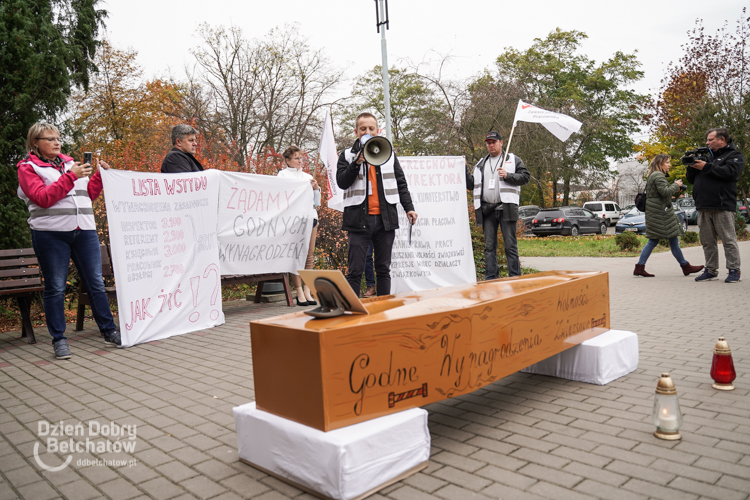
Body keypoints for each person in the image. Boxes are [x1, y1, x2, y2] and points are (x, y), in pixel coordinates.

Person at [16, 123, 121, 360]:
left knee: (95, 283)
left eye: (58, 138)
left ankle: (109, 331)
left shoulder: (71, 164)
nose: (57, 142)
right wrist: (71, 176)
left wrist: (98, 177)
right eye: (50, 138)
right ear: (35, 142)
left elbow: (86, 196)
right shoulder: (28, 168)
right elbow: (43, 198)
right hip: (50, 234)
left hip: (84, 232)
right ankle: (59, 340)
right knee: (55, 287)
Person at [337, 112, 417, 296]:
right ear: (356, 131)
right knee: (355, 271)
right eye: (363, 128)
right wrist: (356, 163)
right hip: (358, 221)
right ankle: (352, 315)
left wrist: (409, 208)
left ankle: (384, 314)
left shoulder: (388, 153)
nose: (367, 131)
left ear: (377, 130)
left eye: (371, 128)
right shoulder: (347, 155)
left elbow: (400, 182)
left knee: (383, 269)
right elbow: (342, 182)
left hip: (384, 219)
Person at [467, 131, 530, 279]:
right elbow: (471, 184)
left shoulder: (512, 160)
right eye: (488, 143)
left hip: (506, 209)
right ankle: (491, 279)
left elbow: (525, 177)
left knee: (510, 247)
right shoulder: (480, 163)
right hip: (487, 210)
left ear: (501, 143)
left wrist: (509, 175)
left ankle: (515, 278)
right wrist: (463, 168)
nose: (491, 145)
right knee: (489, 248)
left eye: (493, 142)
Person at [688, 128, 744, 283]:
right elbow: (691, 180)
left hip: (722, 205)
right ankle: (711, 270)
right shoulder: (706, 158)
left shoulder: (734, 156)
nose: (707, 142)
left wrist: (706, 167)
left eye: (710, 139)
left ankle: (734, 271)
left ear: (722, 140)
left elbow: (730, 173)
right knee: (707, 241)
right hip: (703, 205)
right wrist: (691, 166)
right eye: (707, 139)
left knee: (728, 240)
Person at [633, 154, 704, 277]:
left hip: (657, 212)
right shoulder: (658, 175)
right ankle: (684, 266)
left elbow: (661, 194)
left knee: (668, 240)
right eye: (667, 162)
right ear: (660, 164)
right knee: (655, 241)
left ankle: (684, 266)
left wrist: (674, 189)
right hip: (660, 213)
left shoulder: (653, 175)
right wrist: (676, 184)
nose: (669, 165)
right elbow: (665, 192)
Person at [278, 146, 321, 306]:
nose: (300, 161)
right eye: (296, 158)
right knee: (296, 256)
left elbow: (317, 202)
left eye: (300, 158)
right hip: (294, 221)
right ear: (287, 160)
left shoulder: (308, 176)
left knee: (309, 256)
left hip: (311, 219)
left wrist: (316, 189)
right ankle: (299, 291)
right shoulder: (282, 176)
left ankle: (308, 290)